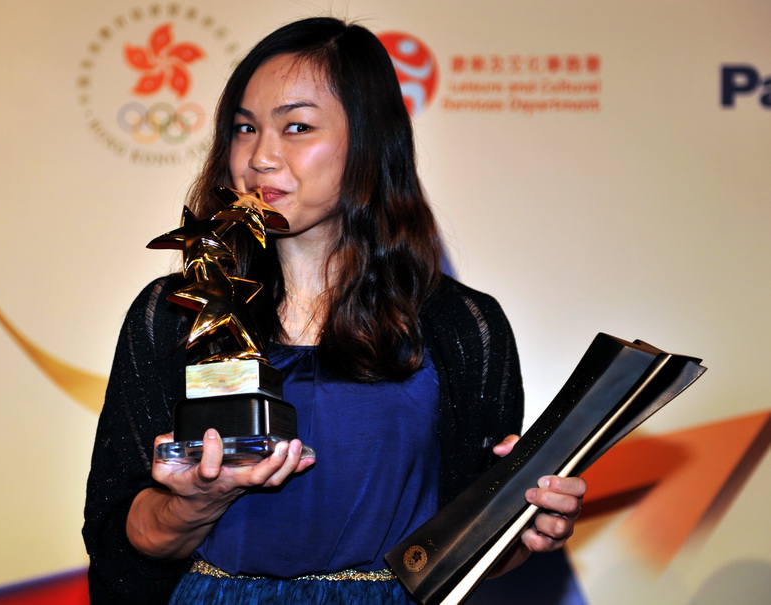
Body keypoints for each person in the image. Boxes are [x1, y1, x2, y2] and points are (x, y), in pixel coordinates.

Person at [83, 16, 587, 605]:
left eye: (296, 127)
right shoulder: (172, 313)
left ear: (370, 142)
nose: (261, 157)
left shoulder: (460, 324)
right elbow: (122, 535)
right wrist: (195, 502)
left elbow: (463, 555)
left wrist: (523, 530)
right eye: (245, 129)